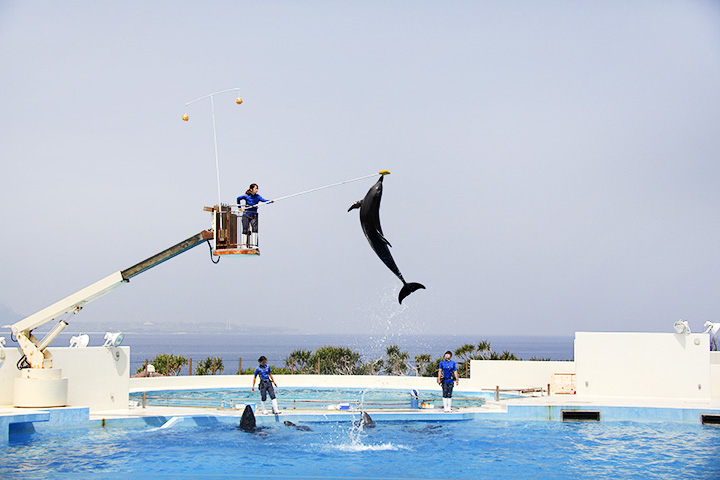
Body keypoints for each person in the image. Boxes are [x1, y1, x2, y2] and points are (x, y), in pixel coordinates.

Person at [236, 183, 272, 249]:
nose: (256, 190)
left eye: (257, 189)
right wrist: (239, 207)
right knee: (245, 229)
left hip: (254, 215)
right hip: (246, 214)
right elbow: (238, 198)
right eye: (255, 189)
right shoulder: (246, 196)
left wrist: (270, 201)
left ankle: (254, 245)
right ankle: (244, 245)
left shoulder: (258, 197)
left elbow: (264, 200)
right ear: (251, 189)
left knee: (254, 229)